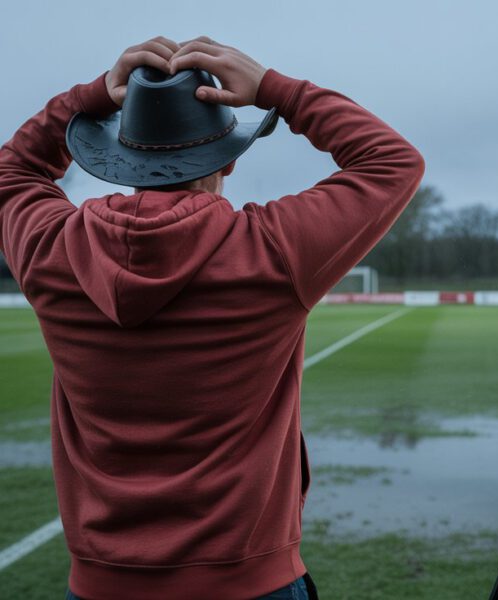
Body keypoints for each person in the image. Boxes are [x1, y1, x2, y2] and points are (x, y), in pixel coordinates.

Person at [0, 36, 424, 600]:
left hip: (101, 584)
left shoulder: (53, 250)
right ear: (227, 160)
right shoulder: (271, 250)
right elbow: (393, 161)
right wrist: (277, 89)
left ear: (122, 158)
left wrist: (93, 95)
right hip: (252, 582)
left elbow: (12, 170)